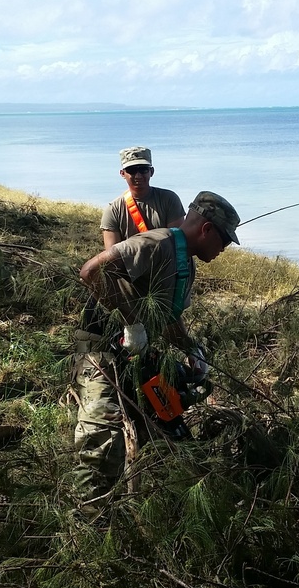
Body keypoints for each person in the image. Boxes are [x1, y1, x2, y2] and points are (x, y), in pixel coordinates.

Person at [73, 190, 240, 501]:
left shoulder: (185, 262)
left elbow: (167, 316)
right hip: (103, 350)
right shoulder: (156, 242)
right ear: (206, 230)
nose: (224, 249)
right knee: (101, 439)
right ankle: (87, 520)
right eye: (224, 241)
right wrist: (131, 323)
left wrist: (191, 348)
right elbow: (91, 272)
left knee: (152, 427)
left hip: (136, 352)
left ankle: (136, 502)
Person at [100, 146, 185, 249]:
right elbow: (112, 255)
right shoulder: (113, 210)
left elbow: (178, 244)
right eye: (132, 170)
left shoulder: (169, 199)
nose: (138, 176)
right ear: (122, 174)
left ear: (151, 172)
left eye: (143, 169)